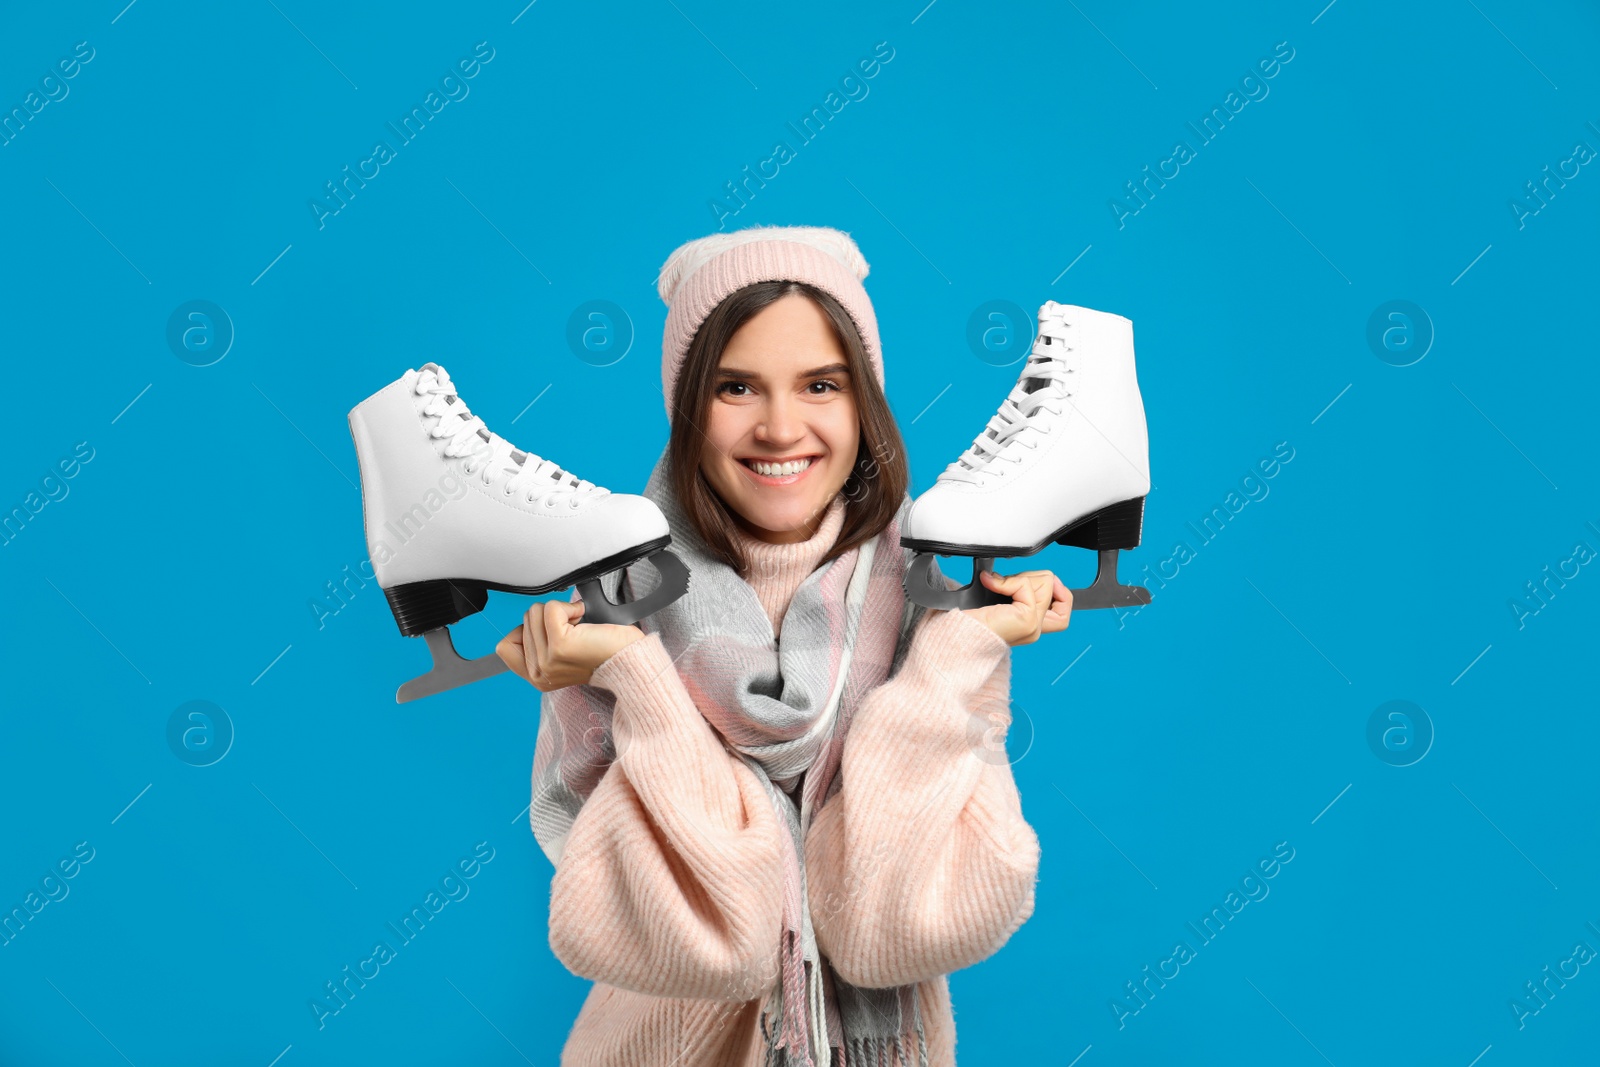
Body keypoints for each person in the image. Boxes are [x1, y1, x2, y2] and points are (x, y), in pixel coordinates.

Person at [496, 225, 1070, 1066]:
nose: (779, 426)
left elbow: (893, 929)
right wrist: (633, 677)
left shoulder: (938, 594)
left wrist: (957, 656)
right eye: (735, 387)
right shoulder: (617, 600)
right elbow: (675, 932)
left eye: (821, 384)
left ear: (864, 400)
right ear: (687, 404)